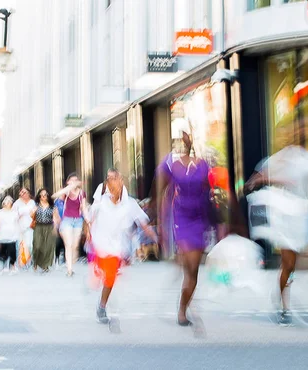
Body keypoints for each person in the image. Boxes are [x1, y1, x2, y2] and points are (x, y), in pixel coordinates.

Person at [245, 123, 308, 326]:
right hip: (286, 218)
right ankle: (284, 306)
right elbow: (261, 174)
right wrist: (258, 181)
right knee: (289, 265)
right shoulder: (281, 157)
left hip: (306, 215)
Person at [151, 125, 217, 326]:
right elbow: (160, 194)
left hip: (198, 219)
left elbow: (208, 194)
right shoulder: (170, 165)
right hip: (181, 218)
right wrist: (161, 227)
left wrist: (215, 222)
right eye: (180, 142)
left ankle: (183, 306)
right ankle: (182, 311)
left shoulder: (202, 165)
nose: (182, 145)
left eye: (185, 142)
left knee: (193, 270)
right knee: (189, 267)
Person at [88, 170, 157, 324]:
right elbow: (91, 219)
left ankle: (102, 306)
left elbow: (143, 223)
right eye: (108, 179)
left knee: (110, 277)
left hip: (115, 247)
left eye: (114, 179)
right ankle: (98, 270)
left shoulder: (130, 203)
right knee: (105, 273)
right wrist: (89, 235)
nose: (111, 182)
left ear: (121, 181)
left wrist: (156, 237)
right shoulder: (101, 201)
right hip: (100, 243)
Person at [52, 173, 87, 277]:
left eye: (76, 180)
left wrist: (88, 219)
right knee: (69, 244)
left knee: (75, 245)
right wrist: (68, 188)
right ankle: (69, 270)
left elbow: (84, 208)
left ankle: (70, 263)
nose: (74, 182)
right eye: (72, 180)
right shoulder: (66, 192)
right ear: (68, 182)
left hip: (78, 220)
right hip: (66, 220)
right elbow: (55, 196)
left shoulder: (81, 193)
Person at [31, 188, 60, 273]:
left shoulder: (53, 206)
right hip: (38, 227)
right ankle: (36, 261)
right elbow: (31, 215)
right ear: (39, 196)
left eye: (45, 194)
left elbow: (56, 218)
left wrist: (55, 227)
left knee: (48, 247)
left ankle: (45, 266)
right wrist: (33, 212)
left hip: (49, 227)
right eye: (42, 194)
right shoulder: (36, 205)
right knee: (37, 246)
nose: (43, 196)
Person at [0, 196, 20, 274]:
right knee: (2, 251)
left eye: (9, 202)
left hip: (13, 235)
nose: (8, 203)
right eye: (6, 202)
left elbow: (17, 223)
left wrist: (19, 233)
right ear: (3, 203)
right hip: (2, 235)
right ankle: (4, 266)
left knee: (12, 250)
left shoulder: (14, 213)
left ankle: (12, 265)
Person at [12, 187, 36, 268]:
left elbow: (35, 212)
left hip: (30, 226)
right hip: (19, 227)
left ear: (29, 193)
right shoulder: (17, 203)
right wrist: (19, 215)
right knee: (20, 245)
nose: (23, 194)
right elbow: (13, 215)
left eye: (25, 192)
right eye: (22, 192)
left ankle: (28, 261)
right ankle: (21, 263)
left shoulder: (32, 202)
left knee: (29, 245)